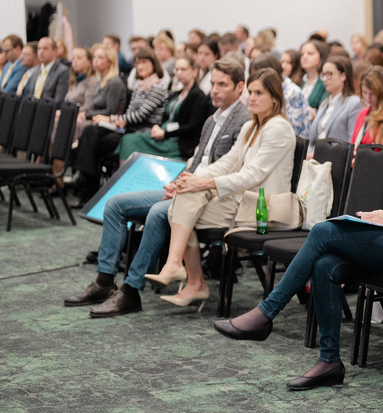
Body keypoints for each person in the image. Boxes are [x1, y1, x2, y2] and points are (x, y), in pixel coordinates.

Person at [215, 89, 383, 389]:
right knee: (326, 265)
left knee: (323, 231)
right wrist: (382, 214)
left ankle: (267, 312)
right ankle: (329, 361)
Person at [66, 60, 250, 317]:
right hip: (189, 188)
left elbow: (231, 171)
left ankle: (131, 291)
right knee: (115, 203)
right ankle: (104, 281)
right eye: (214, 84)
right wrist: (177, 183)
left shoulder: (246, 122)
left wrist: (186, 186)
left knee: (158, 212)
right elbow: (196, 161)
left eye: (222, 85)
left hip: (212, 196)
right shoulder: (212, 120)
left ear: (240, 87)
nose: (214, 90)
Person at [143, 69, 296, 310]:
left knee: (179, 210)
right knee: (182, 202)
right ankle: (182, 272)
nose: (252, 98)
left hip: (263, 210)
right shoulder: (251, 126)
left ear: (275, 98)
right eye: (251, 92)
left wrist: (202, 183)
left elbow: (253, 174)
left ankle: (191, 280)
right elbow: (228, 163)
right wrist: (190, 179)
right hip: (242, 201)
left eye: (260, 93)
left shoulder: (278, 128)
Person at [73, 49, 170, 203]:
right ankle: (88, 183)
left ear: (154, 65)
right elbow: (131, 112)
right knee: (91, 131)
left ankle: (87, 184)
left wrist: (112, 119)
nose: (140, 66)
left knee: (95, 142)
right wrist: (117, 120)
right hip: (129, 127)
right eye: (138, 63)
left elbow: (141, 115)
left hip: (143, 131)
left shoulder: (157, 88)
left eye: (145, 62)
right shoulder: (140, 86)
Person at [116, 54, 213, 162]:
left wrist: (165, 133)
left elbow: (192, 127)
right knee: (128, 139)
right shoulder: (176, 94)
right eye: (177, 69)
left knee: (130, 140)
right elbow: (164, 117)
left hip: (178, 143)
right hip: (163, 135)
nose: (179, 73)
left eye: (183, 69)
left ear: (195, 72)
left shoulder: (198, 96)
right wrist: (158, 127)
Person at [307, 55, 362, 157]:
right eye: (323, 75)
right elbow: (313, 140)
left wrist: (315, 155)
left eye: (329, 74)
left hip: (334, 162)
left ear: (343, 76)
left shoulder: (354, 103)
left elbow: (351, 144)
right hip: (313, 161)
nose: (324, 79)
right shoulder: (324, 103)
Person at [20, 37, 70, 104]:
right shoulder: (35, 71)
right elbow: (30, 96)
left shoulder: (62, 71)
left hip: (48, 111)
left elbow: (58, 101)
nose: (41, 52)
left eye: (45, 48)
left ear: (54, 51)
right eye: (39, 48)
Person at [65, 46, 99, 114]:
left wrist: (66, 111)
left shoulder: (92, 80)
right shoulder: (74, 80)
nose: (75, 61)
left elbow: (88, 107)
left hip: (81, 117)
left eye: (79, 58)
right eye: (73, 58)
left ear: (89, 62)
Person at [299, 39, 329, 110]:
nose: (305, 57)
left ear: (321, 56)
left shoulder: (325, 82)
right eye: (302, 54)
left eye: (310, 53)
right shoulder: (299, 81)